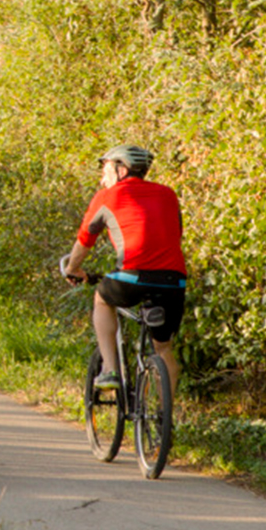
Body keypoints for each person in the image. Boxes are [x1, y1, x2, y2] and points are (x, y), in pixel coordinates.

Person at [58, 143, 187, 398]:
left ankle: (110, 369)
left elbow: (85, 240)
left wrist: (73, 269)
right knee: (164, 348)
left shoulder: (108, 196)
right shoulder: (168, 194)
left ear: (121, 169)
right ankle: (164, 423)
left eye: (105, 168)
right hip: (173, 281)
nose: (101, 176)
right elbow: (175, 234)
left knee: (103, 299)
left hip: (131, 277)